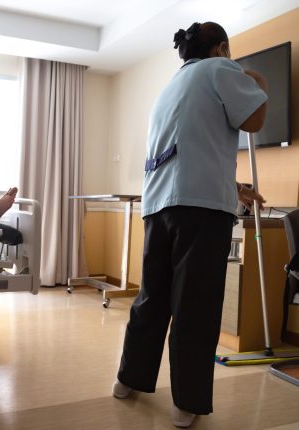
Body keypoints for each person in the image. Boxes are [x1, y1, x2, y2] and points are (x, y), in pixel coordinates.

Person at [111, 22, 267, 428]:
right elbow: (255, 121)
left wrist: (232, 186)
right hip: (200, 210)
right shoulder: (221, 69)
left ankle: (128, 379)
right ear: (221, 48)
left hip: (159, 205)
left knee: (153, 298)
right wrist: (256, 77)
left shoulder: (167, 90)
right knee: (194, 306)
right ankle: (188, 402)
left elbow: (186, 149)